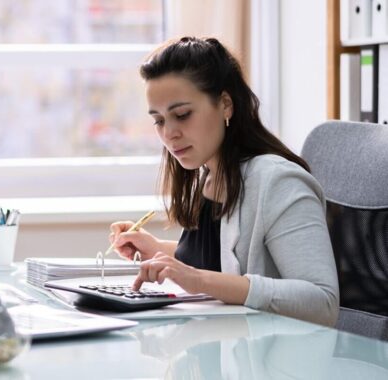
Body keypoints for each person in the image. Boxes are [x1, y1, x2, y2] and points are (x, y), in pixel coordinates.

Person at [109, 37, 339, 326]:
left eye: (182, 115)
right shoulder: (209, 175)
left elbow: (322, 302)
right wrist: (155, 248)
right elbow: (216, 260)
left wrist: (197, 279)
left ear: (226, 104)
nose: (169, 133)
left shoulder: (279, 183)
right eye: (159, 121)